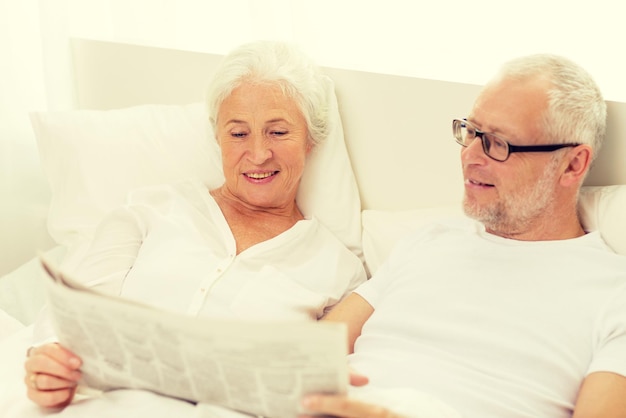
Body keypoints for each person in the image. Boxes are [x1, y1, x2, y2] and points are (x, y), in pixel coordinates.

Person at [22, 40, 366, 409]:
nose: (258, 153)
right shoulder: (152, 209)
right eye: (238, 133)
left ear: (310, 140)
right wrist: (47, 364)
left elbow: (326, 380)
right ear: (217, 137)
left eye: (278, 132)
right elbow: (70, 317)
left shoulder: (339, 270)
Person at [303, 54, 626, 418]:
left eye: (499, 143)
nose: (470, 156)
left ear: (572, 164)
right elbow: (312, 353)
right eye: (472, 133)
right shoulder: (429, 241)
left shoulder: (615, 294)